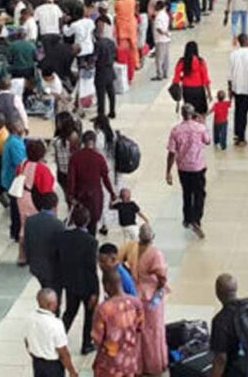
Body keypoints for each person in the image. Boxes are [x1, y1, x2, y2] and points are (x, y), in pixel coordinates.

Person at [118, 223, 168, 375]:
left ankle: (137, 365)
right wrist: (160, 289)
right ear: (152, 238)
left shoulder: (131, 247)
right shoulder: (155, 254)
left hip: (135, 293)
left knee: (138, 331)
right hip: (150, 295)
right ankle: (154, 365)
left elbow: (118, 262)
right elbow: (162, 276)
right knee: (153, 331)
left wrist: (129, 273)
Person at [56, 204, 99, 355]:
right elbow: (91, 269)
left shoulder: (64, 237)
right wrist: (95, 291)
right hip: (87, 285)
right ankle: (86, 344)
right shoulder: (91, 241)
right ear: (87, 221)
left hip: (71, 283)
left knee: (69, 313)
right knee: (89, 316)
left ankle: (57, 340)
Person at [167, 104, 211, 238]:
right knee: (199, 193)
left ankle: (187, 218)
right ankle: (196, 219)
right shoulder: (200, 128)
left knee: (186, 192)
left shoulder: (176, 130)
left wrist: (168, 171)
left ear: (182, 114)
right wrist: (203, 123)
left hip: (183, 167)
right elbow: (208, 141)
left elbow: (171, 152)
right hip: (198, 167)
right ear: (193, 114)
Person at [91, 269, 144, 377]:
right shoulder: (136, 303)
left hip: (109, 364)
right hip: (130, 359)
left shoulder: (103, 309)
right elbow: (140, 327)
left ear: (106, 286)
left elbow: (97, 338)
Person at [67, 131, 116, 235]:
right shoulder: (99, 158)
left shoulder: (75, 158)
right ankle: (91, 245)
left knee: (80, 223)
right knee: (92, 224)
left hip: (80, 196)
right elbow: (106, 178)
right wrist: (112, 193)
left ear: (82, 142)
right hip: (95, 197)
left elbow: (71, 179)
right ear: (94, 141)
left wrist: (70, 195)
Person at [25, 288, 79, 377]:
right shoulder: (56, 324)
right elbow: (63, 352)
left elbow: (27, 341)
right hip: (52, 366)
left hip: (37, 362)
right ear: (51, 304)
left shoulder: (30, 317)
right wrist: (72, 371)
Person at [24, 191, 63, 290]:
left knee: (45, 289)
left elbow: (26, 244)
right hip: (53, 268)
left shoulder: (30, 221)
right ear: (55, 206)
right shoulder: (58, 225)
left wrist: (29, 260)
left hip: (36, 265)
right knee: (54, 293)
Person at [2, 119, 28, 243]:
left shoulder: (14, 141)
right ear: (15, 129)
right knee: (17, 208)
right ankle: (17, 232)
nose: (23, 127)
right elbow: (20, 163)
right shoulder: (15, 144)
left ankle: (15, 230)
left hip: (11, 179)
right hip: (15, 180)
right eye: (21, 125)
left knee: (15, 207)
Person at [173, 41, 212, 114]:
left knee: (189, 112)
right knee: (200, 112)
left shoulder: (182, 61)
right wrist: (209, 93)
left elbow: (176, 78)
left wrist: (181, 79)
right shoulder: (201, 62)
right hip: (199, 90)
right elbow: (205, 79)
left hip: (187, 90)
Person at [93, 18, 118, 119]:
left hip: (101, 71)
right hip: (110, 69)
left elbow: (95, 58)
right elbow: (116, 55)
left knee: (101, 94)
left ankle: (101, 114)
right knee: (111, 92)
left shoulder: (98, 45)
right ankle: (112, 111)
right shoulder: (111, 43)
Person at [114, 0, 139, 71]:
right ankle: (136, 63)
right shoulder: (132, 1)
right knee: (133, 45)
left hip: (122, 25)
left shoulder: (117, 3)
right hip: (132, 24)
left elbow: (116, 12)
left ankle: (124, 62)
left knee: (123, 47)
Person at [152, 0, 171, 80]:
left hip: (160, 40)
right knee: (166, 57)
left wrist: (164, 33)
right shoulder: (165, 15)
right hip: (166, 40)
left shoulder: (159, 16)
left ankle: (159, 74)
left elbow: (159, 28)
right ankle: (165, 73)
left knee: (159, 58)